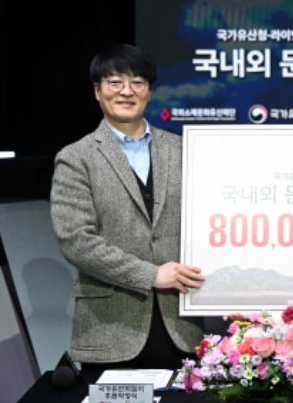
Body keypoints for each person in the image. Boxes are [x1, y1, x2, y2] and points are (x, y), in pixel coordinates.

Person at [50, 44, 205, 376]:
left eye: (137, 82)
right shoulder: (76, 158)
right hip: (110, 328)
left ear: (149, 90)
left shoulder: (184, 150)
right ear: (97, 91)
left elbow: (209, 222)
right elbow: (76, 240)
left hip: (181, 326)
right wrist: (151, 275)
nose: (126, 91)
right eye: (115, 82)